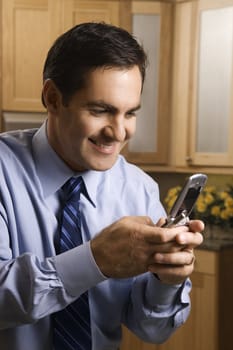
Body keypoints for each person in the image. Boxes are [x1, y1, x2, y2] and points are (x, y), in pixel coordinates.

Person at [0, 22, 204, 350]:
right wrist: (95, 260)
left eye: (130, 113)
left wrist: (167, 280)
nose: (119, 132)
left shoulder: (140, 190)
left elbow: (153, 331)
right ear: (53, 98)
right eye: (101, 111)